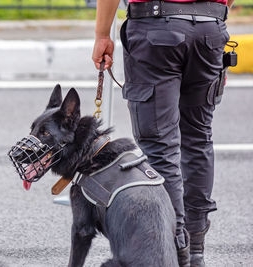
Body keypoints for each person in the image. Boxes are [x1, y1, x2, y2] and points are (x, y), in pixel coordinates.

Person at [92, 0, 234, 266]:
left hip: (155, 29)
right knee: (198, 139)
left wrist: (102, 34)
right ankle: (195, 250)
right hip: (209, 29)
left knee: (160, 147)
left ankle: (175, 248)